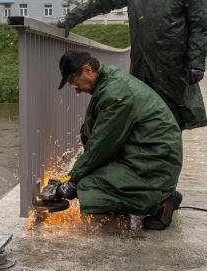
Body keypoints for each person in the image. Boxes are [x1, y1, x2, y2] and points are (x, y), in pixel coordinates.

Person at [57, 0, 207, 131]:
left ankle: (167, 161)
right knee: (141, 120)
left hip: (172, 68)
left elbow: (200, 22)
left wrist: (197, 62)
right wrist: (72, 17)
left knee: (170, 122)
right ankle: (146, 160)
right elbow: (104, 0)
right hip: (141, 67)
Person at [54, 50, 183, 230]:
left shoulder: (116, 94)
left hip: (154, 164)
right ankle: (154, 194)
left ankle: (159, 203)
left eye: (76, 84)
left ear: (88, 70)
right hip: (147, 155)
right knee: (90, 167)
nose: (77, 91)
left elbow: (102, 145)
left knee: (88, 186)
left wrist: (73, 181)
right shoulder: (109, 80)